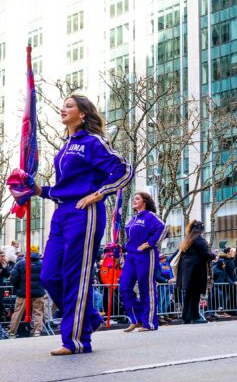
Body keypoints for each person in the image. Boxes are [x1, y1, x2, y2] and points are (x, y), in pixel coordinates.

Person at [33, 95, 132, 354]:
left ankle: (76, 341)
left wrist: (100, 193)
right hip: (62, 213)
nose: (62, 109)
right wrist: (38, 190)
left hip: (84, 213)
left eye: (69, 106)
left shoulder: (92, 142)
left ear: (83, 113)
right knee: (48, 275)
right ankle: (89, 318)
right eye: (62, 105)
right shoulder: (66, 146)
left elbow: (124, 170)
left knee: (75, 276)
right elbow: (63, 188)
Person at [119, 192, 165, 332]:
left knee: (146, 288)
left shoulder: (150, 216)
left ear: (144, 201)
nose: (134, 200)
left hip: (146, 255)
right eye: (133, 198)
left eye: (137, 198)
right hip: (131, 256)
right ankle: (137, 319)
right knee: (124, 286)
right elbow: (132, 240)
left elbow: (163, 228)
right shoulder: (133, 219)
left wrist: (151, 243)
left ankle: (149, 322)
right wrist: (120, 247)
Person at [176, 220, 214, 324]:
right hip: (196, 270)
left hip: (187, 271)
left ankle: (186, 317)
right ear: (201, 230)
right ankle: (194, 316)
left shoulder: (188, 239)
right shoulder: (199, 240)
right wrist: (214, 256)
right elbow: (205, 254)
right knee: (195, 294)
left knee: (189, 295)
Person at [8, 247, 45, 337]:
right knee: (38, 312)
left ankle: (12, 332)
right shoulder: (42, 263)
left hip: (23, 293)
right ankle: (37, 331)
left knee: (18, 312)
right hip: (38, 293)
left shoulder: (20, 263)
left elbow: (13, 278)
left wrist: (17, 287)